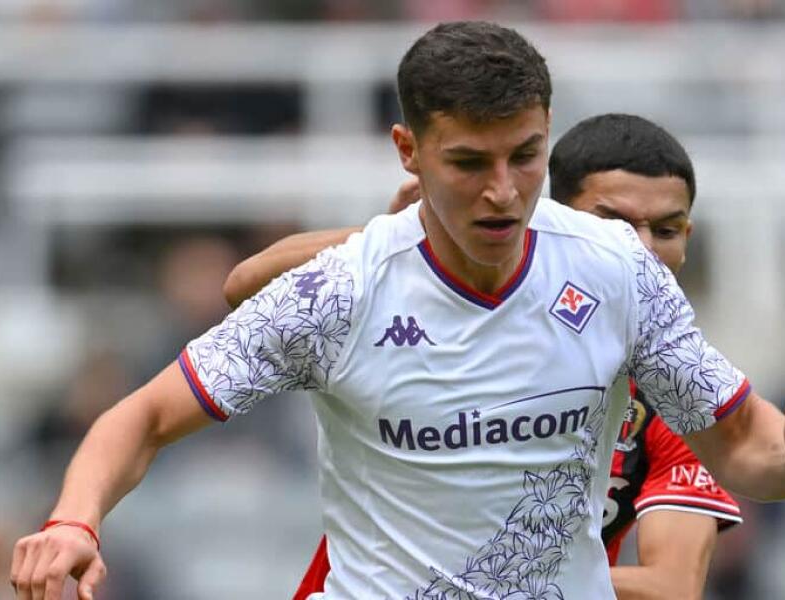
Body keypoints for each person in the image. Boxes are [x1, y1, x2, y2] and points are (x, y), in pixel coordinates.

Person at [10, 21, 785, 600]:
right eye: (469, 163)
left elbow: (746, 446)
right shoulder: (343, 290)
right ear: (410, 151)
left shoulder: (617, 269)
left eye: (525, 156)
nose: (503, 191)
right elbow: (141, 417)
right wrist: (73, 520)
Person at [228, 114, 744, 600]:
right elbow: (244, 285)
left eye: (665, 230)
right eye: (613, 225)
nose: (641, 250)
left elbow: (672, 587)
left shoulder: (680, 401)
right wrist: (403, 238)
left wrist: (500, 576)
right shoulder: (433, 318)